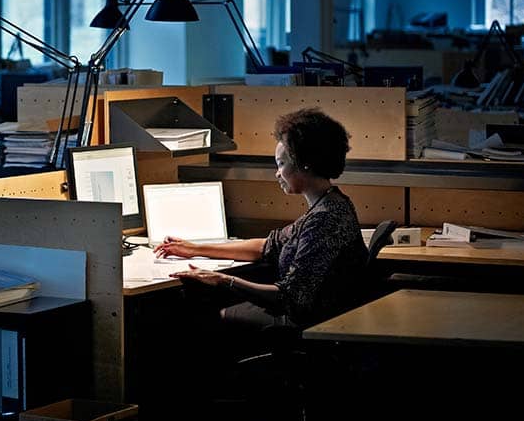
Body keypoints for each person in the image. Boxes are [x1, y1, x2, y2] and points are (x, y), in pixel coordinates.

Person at [154, 107, 368, 345]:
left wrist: (224, 280)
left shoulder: (325, 219)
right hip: (310, 316)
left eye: (282, 163)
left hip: (303, 325)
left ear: (305, 164)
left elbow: (287, 298)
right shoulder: (329, 203)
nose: (277, 173)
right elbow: (268, 246)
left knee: (194, 317)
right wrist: (195, 249)